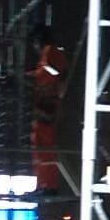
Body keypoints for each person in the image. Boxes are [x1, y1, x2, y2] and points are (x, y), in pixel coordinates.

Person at [27, 24, 68, 196]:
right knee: (41, 147)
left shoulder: (51, 52)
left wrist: (23, 79)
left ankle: (48, 185)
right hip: (45, 104)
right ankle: (44, 184)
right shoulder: (51, 53)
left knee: (44, 147)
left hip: (48, 104)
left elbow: (46, 75)